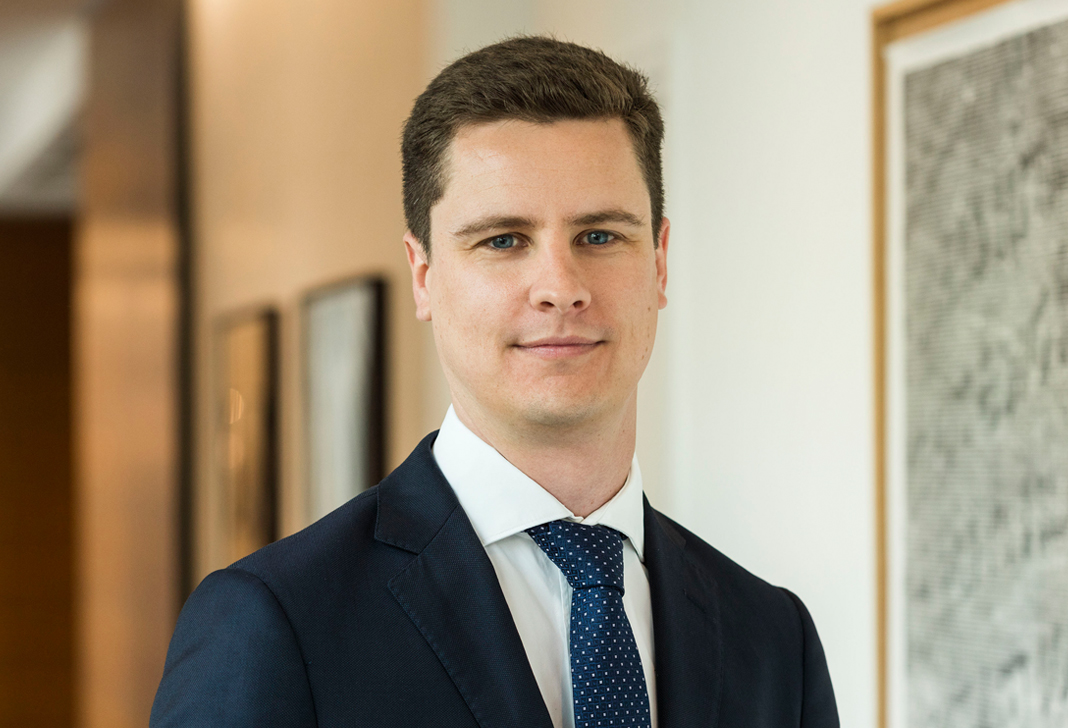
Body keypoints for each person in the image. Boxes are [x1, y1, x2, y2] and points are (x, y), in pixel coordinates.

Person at [151, 36, 839, 728]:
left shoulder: (774, 638)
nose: (560, 288)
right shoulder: (276, 623)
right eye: (503, 240)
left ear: (659, 262)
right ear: (424, 275)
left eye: (600, 236)